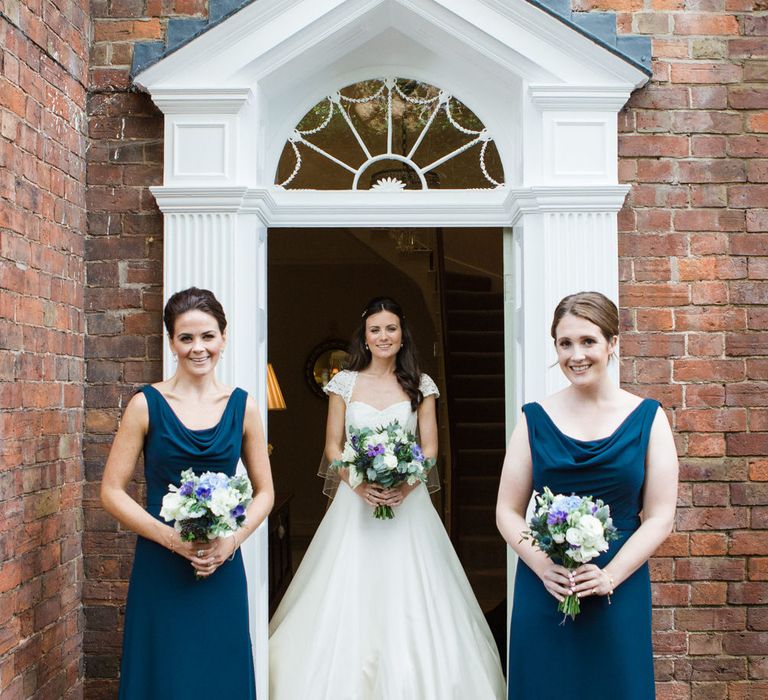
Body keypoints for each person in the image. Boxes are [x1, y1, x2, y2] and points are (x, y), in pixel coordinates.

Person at [269, 297, 506, 699]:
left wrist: (404, 486)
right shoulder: (343, 383)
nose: (383, 336)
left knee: (414, 590)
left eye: (391, 329)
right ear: (364, 336)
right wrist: (359, 485)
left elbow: (429, 450)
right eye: (375, 330)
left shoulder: (421, 385)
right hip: (355, 505)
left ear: (402, 335)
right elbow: (332, 447)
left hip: (407, 506)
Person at [496, 291, 678, 700]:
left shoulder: (649, 418)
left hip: (619, 586)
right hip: (547, 587)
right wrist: (544, 567)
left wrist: (610, 575)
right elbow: (506, 511)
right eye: (565, 343)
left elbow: (660, 516)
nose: (576, 355)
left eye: (588, 341)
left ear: (613, 343)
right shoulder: (533, 419)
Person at [101, 287, 274, 700]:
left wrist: (230, 541)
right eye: (186, 338)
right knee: (164, 672)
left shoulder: (243, 407)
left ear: (224, 338)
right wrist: (172, 540)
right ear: (172, 342)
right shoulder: (145, 405)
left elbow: (265, 491)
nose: (198, 348)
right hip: (161, 565)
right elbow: (111, 491)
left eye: (208, 336)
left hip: (221, 565)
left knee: (220, 671)